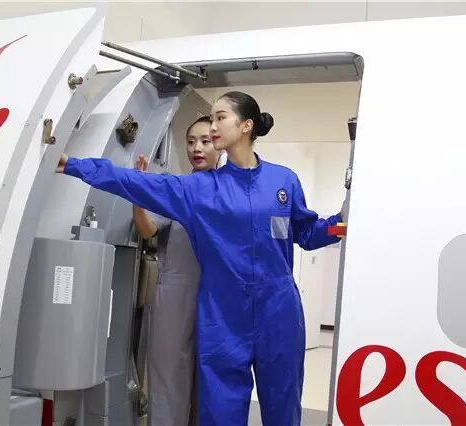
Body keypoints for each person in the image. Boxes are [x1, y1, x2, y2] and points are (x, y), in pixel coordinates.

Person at [56, 91, 344, 426]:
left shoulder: (283, 181)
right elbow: (130, 181)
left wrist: (341, 223)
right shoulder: (198, 189)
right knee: (220, 410)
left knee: (284, 402)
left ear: (247, 125)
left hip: (279, 310)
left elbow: (307, 233)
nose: (214, 125)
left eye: (221, 117)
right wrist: (71, 164)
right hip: (223, 314)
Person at [133, 116, 218, 426]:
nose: (197, 148)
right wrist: (138, 193)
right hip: (175, 292)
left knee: (210, 382)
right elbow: (147, 230)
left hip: (218, 296)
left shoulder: (232, 191)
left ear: (220, 145)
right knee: (168, 379)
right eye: (191, 141)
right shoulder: (176, 188)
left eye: (205, 141)